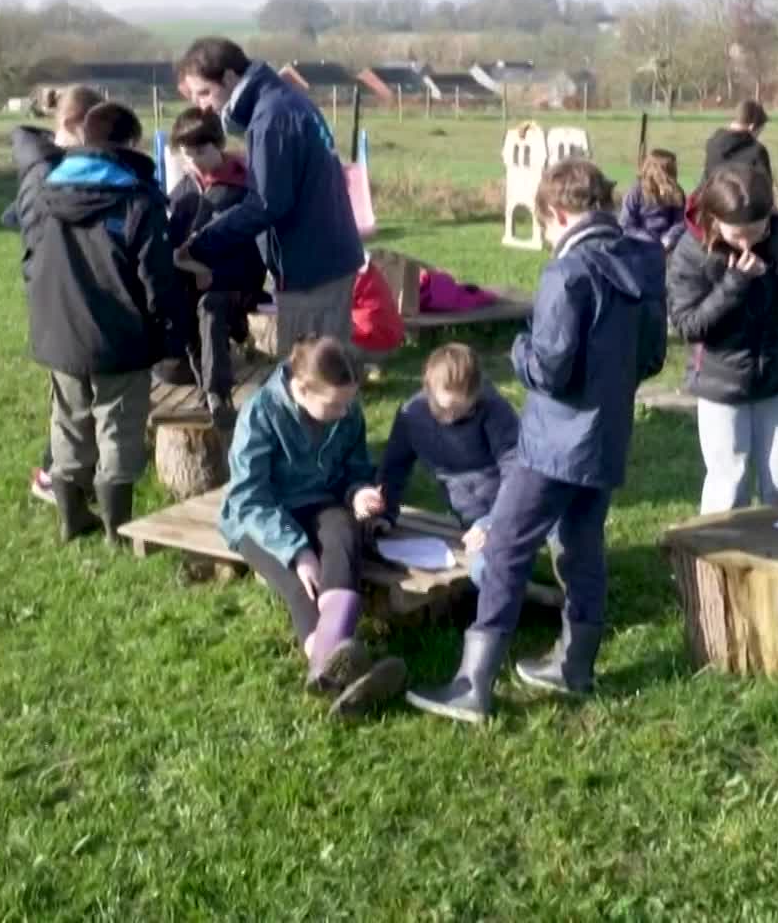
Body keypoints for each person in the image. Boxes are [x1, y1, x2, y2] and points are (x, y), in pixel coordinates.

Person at [406, 159, 668, 724]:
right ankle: (575, 665)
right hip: (606, 439)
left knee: (505, 549)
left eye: (544, 224)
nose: (547, 235)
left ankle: (472, 685)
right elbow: (651, 356)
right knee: (581, 548)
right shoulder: (645, 261)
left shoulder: (566, 274)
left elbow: (548, 369)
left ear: (557, 213)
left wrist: (520, 351)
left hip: (552, 444)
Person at [218, 336, 408, 717]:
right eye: (335, 405)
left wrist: (359, 494)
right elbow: (251, 497)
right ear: (301, 389)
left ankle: (328, 672)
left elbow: (354, 469)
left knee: (344, 538)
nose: (344, 411)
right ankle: (336, 666)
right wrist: (297, 550)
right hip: (258, 519)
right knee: (300, 581)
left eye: (349, 402)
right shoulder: (260, 411)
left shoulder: (346, 410)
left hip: (320, 501)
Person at [22, 102, 177, 545]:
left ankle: (71, 519)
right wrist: (170, 334)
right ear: (129, 142)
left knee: (68, 424)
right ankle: (116, 530)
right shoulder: (137, 198)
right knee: (119, 428)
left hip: (59, 335)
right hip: (120, 338)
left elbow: (30, 259)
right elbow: (157, 278)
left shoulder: (44, 189)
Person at [176, 37, 365, 358]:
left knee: (309, 379)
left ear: (231, 78)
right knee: (330, 371)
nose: (203, 106)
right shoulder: (287, 101)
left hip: (311, 268)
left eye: (205, 92)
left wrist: (198, 246)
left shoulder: (270, 119)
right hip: (327, 256)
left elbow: (266, 204)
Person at [667, 164, 778, 514]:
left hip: (773, 374)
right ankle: (718, 556)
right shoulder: (690, 251)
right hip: (719, 381)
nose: (746, 243)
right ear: (713, 218)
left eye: (755, 233)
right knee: (729, 481)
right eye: (736, 234)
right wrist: (734, 285)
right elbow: (687, 325)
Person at [4, 84, 105, 506]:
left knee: (77, 390)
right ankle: (53, 475)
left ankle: (74, 468)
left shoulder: (49, 165)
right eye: (96, 130)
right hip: (60, 296)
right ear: (71, 125)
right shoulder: (47, 172)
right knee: (70, 395)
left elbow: (14, 217)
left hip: (66, 293)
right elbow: (37, 234)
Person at [164, 108, 270, 429]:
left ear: (219, 144)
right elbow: (171, 245)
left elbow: (255, 253)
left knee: (210, 305)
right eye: (186, 153)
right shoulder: (182, 192)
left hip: (239, 280)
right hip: (192, 283)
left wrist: (211, 272)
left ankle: (217, 394)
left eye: (201, 151)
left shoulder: (245, 187)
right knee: (174, 302)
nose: (194, 160)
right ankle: (201, 382)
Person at [374, 342, 521, 550]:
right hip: (467, 510)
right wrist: (384, 513)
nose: (449, 417)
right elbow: (394, 467)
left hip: (505, 506)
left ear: (476, 395)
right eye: (443, 408)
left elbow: (516, 470)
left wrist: (492, 523)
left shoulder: (493, 409)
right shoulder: (412, 415)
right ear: (428, 388)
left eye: (459, 409)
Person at [619, 148, 686, 249]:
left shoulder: (676, 191)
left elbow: (680, 221)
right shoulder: (636, 192)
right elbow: (626, 224)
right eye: (670, 170)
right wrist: (648, 240)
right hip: (640, 243)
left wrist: (669, 238)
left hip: (666, 243)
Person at [701, 99, 773, 183]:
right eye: (760, 130)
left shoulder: (712, 143)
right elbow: (765, 188)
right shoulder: (757, 151)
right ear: (752, 127)